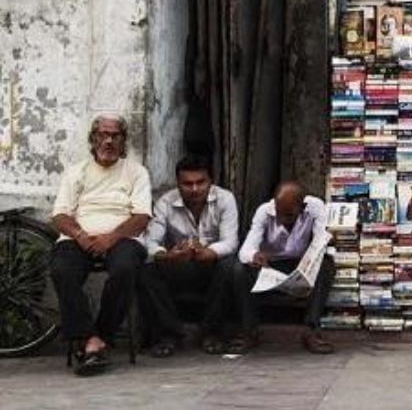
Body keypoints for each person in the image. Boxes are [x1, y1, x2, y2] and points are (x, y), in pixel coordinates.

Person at [48, 114, 152, 376]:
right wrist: (81, 235)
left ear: (123, 140)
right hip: (79, 237)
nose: (108, 141)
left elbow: (141, 217)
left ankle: (100, 336)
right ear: (92, 139)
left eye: (115, 136)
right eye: (102, 135)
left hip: (123, 238)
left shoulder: (136, 172)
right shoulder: (76, 172)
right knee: (62, 269)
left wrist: (111, 238)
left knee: (126, 268)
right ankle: (90, 339)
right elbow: (60, 215)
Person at [138, 156, 240, 357]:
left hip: (211, 266)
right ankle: (169, 334)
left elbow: (231, 242)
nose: (194, 189)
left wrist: (208, 252)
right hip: (178, 266)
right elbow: (149, 243)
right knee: (146, 271)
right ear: (178, 183)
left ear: (210, 181)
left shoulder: (225, 199)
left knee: (230, 267)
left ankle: (211, 333)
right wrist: (168, 256)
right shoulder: (165, 202)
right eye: (187, 184)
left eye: (200, 182)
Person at [225, 181, 335, 354]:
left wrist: (316, 252)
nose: (282, 219)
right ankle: (249, 329)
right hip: (271, 264)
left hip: (301, 262)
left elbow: (321, 240)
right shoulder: (264, 211)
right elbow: (245, 249)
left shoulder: (315, 207)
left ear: (302, 207)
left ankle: (311, 329)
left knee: (326, 263)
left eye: (289, 215)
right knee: (239, 269)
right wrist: (254, 256)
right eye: (279, 213)